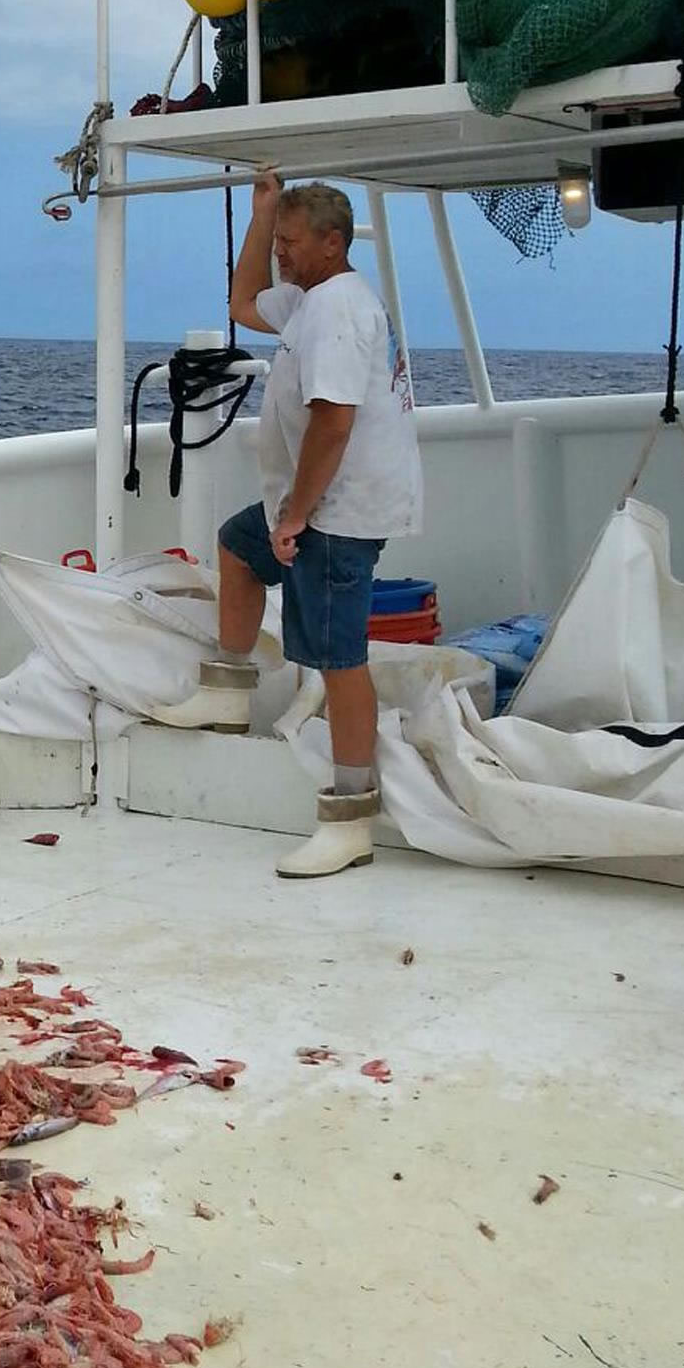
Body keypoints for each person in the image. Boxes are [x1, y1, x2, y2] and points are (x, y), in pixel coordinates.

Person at [153, 172, 423, 877]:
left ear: (333, 244)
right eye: (279, 242)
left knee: (338, 659)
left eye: (291, 243)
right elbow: (243, 304)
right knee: (238, 547)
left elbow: (333, 423)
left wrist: (298, 514)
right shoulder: (310, 299)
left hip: (337, 513)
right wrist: (263, 214)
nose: (280, 254)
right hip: (310, 505)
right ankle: (224, 695)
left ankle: (349, 817)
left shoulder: (337, 310)